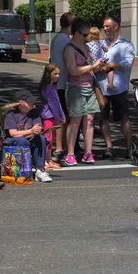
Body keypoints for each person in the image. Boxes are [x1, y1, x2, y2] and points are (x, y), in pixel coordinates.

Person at [62, 19, 104, 166]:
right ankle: (70, 154)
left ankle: (88, 152)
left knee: (90, 121)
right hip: (75, 88)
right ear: (77, 33)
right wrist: (92, 65)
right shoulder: (69, 49)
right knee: (75, 122)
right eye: (85, 35)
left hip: (89, 87)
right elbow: (72, 70)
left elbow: (91, 68)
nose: (87, 38)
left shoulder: (87, 48)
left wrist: (98, 65)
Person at [97, 16, 136, 159]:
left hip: (119, 88)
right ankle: (109, 147)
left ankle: (130, 148)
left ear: (116, 26)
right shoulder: (101, 44)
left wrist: (110, 65)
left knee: (124, 118)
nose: (105, 29)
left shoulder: (126, 45)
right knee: (103, 118)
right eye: (104, 26)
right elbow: (93, 60)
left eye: (108, 26)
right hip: (102, 88)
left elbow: (127, 63)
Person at [3, 90, 53, 183]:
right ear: (22, 103)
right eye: (29, 101)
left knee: (41, 139)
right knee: (21, 140)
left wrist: (38, 131)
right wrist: (30, 131)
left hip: (29, 137)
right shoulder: (12, 114)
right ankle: (22, 171)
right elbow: (12, 133)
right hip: (15, 140)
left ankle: (40, 170)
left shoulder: (34, 112)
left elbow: (38, 129)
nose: (32, 103)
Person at [49, 12, 75, 164]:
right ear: (70, 25)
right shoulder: (65, 40)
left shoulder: (56, 38)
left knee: (60, 116)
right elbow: (68, 61)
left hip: (57, 83)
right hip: (62, 83)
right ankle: (60, 149)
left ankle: (60, 147)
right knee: (62, 117)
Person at [39, 63, 65, 170]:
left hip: (52, 116)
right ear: (48, 74)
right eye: (55, 74)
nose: (57, 76)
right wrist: (60, 118)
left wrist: (60, 115)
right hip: (49, 116)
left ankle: (48, 159)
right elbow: (53, 105)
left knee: (50, 138)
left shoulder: (51, 87)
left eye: (59, 74)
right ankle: (45, 160)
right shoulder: (48, 88)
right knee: (48, 138)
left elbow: (57, 104)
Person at [87, 27, 114, 91]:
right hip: (102, 60)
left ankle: (94, 86)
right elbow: (106, 49)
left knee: (93, 73)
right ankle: (110, 84)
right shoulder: (101, 42)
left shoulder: (87, 44)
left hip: (94, 62)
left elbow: (88, 54)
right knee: (110, 70)